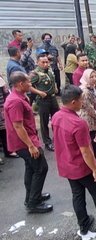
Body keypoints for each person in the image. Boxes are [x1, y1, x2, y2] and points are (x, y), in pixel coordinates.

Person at [52, 85, 96, 239]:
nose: (83, 103)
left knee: (77, 195)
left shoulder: (56, 116)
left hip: (67, 165)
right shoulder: (79, 123)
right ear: (73, 102)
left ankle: (83, 223)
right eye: (80, 100)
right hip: (82, 167)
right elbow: (85, 151)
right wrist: (95, 170)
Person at [4, 71, 52, 213]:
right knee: (41, 168)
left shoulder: (20, 96)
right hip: (24, 142)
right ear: (20, 84)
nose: (30, 84)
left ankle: (32, 196)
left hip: (28, 138)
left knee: (31, 168)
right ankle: (33, 202)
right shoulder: (15, 101)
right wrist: (31, 146)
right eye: (28, 82)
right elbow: (18, 126)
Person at [31, 54, 59, 152]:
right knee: (44, 122)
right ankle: (48, 142)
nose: (46, 64)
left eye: (47, 62)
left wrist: (55, 87)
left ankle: (58, 138)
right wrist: (39, 92)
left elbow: (52, 79)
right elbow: (28, 86)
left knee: (57, 119)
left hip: (52, 98)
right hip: (43, 100)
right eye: (43, 62)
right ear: (38, 62)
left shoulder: (50, 70)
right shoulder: (35, 74)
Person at [79, 69, 96, 162]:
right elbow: (90, 109)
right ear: (86, 78)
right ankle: (95, 165)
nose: (94, 79)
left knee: (94, 144)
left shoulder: (91, 87)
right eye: (91, 77)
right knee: (92, 144)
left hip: (93, 120)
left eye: (95, 76)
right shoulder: (85, 91)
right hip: (89, 122)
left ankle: (95, 161)